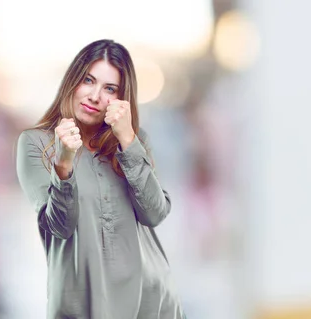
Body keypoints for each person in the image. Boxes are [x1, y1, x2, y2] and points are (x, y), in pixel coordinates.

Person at [16, 39, 185, 318]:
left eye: (110, 89)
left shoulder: (133, 140)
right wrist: (65, 162)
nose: (95, 96)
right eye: (88, 80)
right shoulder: (36, 143)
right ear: (72, 81)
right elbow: (60, 226)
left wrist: (128, 139)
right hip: (81, 307)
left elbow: (155, 213)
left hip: (151, 304)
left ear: (121, 98)